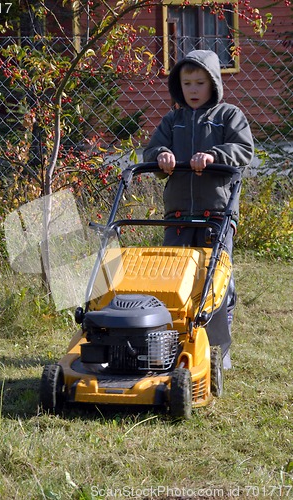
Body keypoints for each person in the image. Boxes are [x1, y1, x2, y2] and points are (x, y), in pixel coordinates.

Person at [143, 49, 254, 368]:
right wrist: (161, 155)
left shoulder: (228, 116)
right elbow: (150, 150)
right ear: (178, 86)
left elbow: (243, 149)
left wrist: (214, 156)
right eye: (187, 83)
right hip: (177, 215)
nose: (192, 89)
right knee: (171, 281)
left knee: (215, 281)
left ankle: (217, 352)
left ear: (214, 84)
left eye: (199, 83)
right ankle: (168, 348)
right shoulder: (172, 120)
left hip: (216, 215)